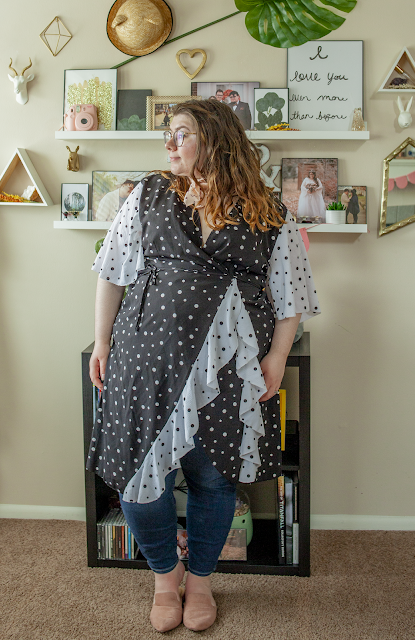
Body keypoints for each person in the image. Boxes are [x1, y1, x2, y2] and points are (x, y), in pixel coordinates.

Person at [88, 99, 319, 633]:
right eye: (168, 134)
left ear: (214, 140)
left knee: (215, 481)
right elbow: (112, 271)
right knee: (139, 481)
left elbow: (291, 297)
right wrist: (102, 342)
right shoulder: (147, 196)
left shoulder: (268, 210)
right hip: (147, 363)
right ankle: (164, 578)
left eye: (182, 133)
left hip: (230, 369)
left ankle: (201, 583)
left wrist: (278, 357)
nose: (170, 143)